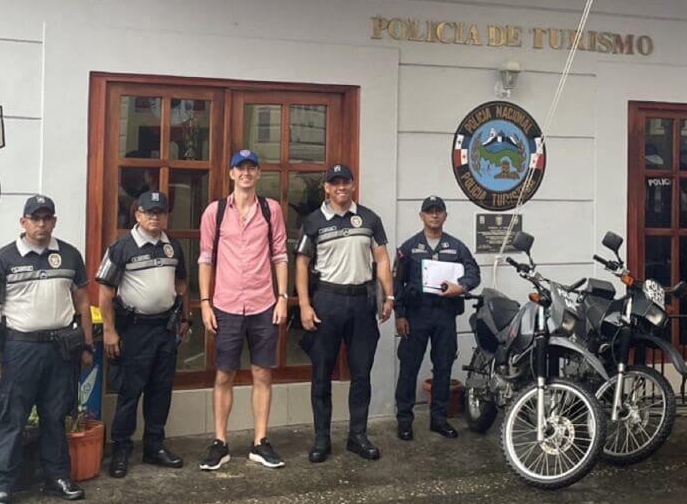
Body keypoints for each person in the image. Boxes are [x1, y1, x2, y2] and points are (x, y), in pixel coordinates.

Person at [0, 195, 94, 504]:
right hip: (20, 349)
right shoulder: (3, 258)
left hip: (60, 349)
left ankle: (58, 477)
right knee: (12, 418)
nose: (41, 224)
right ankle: (2, 485)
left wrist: (86, 344)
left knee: (55, 417)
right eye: (35, 218)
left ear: (54, 221)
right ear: (23, 222)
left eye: (47, 218)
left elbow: (83, 302)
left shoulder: (70, 255)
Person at [295, 163, 394, 463]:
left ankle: (358, 436)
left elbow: (382, 258)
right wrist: (303, 304)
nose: (341, 187)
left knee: (361, 373)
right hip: (327, 299)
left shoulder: (369, 218)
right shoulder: (313, 221)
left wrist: (389, 295)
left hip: (361, 301)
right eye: (334, 182)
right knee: (321, 373)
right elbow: (301, 263)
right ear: (326, 187)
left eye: (345, 182)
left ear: (353, 184)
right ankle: (322, 438)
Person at [197, 149, 289, 470]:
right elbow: (205, 258)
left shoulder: (271, 209)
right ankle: (220, 442)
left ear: (259, 174)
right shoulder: (215, 211)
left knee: (262, 373)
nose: (246, 173)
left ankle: (260, 442)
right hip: (226, 304)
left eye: (252, 168)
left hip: (264, 304)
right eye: (241, 168)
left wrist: (282, 297)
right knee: (224, 374)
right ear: (232, 173)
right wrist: (205, 303)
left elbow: (279, 254)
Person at [96, 190, 191, 478]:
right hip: (134, 330)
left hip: (164, 329)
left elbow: (182, 282)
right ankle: (121, 450)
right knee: (129, 392)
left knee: (160, 391)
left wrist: (185, 318)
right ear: (137, 215)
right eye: (149, 212)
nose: (154, 217)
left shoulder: (172, 246)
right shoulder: (121, 247)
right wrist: (110, 331)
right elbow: (105, 293)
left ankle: (154, 446)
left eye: (160, 212)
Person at [393, 195, 481, 440]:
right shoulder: (409, 248)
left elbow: (474, 272)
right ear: (421, 216)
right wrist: (400, 315)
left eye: (438, 211)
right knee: (409, 368)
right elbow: (396, 282)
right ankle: (404, 420)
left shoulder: (456, 246)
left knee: (443, 367)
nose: (434, 215)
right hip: (416, 314)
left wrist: (461, 287)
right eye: (429, 211)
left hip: (444, 315)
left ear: (445, 215)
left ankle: (439, 419)